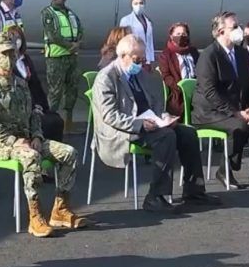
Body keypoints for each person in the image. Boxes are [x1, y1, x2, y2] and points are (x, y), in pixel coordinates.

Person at [91, 34, 220, 213]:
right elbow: (110, 115)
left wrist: (164, 117)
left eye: (143, 59)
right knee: (166, 137)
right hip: (123, 129)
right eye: (137, 60)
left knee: (188, 133)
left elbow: (153, 103)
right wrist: (140, 124)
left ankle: (194, 191)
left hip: (149, 122)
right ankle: (155, 196)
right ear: (123, 56)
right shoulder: (106, 78)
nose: (141, 64)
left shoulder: (139, 74)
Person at [0, 33, 86, 238]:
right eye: (4, 53)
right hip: (0, 143)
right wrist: (13, 141)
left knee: (69, 153)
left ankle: (60, 209)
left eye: (12, 53)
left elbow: (33, 113)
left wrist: (36, 136)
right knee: (31, 157)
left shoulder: (21, 83)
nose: (9, 58)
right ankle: (35, 216)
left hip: (27, 138)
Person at [193, 12, 249, 190]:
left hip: (239, 109)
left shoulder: (241, 53)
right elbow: (210, 92)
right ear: (220, 31)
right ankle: (225, 170)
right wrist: (236, 113)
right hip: (210, 112)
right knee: (240, 126)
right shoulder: (209, 56)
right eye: (234, 27)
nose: (239, 30)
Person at [5, 26, 64, 143]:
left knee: (56, 120)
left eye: (18, 38)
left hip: (36, 103)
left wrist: (42, 106)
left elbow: (36, 84)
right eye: (12, 38)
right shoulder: (8, 64)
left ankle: (53, 150)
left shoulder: (25, 59)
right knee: (47, 123)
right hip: (22, 109)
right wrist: (32, 108)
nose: (16, 41)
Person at [41, 0, 83, 133]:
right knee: (55, 92)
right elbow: (52, 35)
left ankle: (68, 124)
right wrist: (70, 46)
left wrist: (78, 43)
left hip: (71, 58)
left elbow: (80, 29)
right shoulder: (48, 13)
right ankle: (50, 126)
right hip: (56, 59)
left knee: (72, 90)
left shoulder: (71, 13)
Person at [158, 22, 199, 118]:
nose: (181, 36)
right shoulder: (165, 55)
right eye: (178, 34)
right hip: (178, 92)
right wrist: (182, 87)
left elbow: (200, 69)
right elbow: (166, 76)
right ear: (171, 36)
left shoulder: (193, 52)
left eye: (184, 34)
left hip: (197, 90)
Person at [119, 0, 155, 66]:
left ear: (144, 5)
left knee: (144, 72)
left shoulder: (148, 21)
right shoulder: (126, 20)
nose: (139, 5)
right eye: (135, 3)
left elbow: (150, 42)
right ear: (131, 5)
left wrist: (150, 59)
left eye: (141, 3)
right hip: (132, 57)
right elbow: (122, 40)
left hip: (145, 58)